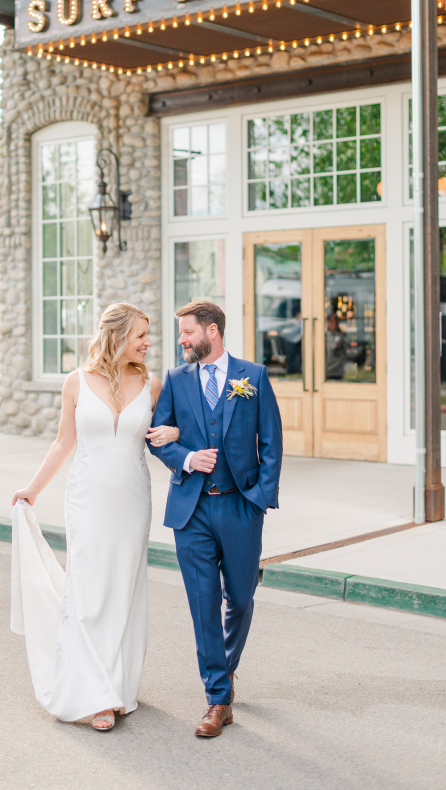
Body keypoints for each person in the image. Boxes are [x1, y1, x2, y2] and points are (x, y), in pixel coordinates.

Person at [10, 303, 178, 731]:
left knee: (124, 588)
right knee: (88, 590)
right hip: (86, 500)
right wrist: (32, 489)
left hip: (133, 500)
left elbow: (165, 439)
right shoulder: (76, 382)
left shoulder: (151, 382)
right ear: (118, 336)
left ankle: (117, 686)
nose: (148, 342)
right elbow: (63, 443)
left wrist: (174, 434)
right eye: (141, 334)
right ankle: (91, 693)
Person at [148, 301, 282, 738]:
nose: (182, 340)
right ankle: (217, 698)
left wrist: (260, 498)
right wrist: (186, 456)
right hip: (192, 510)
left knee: (240, 600)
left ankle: (224, 672)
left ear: (212, 331)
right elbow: (157, 437)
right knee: (203, 605)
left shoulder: (253, 376)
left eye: (187, 332)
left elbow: (273, 442)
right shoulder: (175, 379)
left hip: (240, 506)